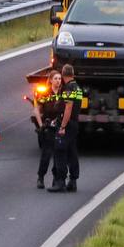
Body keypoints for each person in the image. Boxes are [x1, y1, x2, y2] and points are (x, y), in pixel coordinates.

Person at [51, 64, 84, 192]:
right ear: (73, 74)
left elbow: (68, 108)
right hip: (75, 123)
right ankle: (73, 181)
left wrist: (62, 126)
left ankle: (60, 182)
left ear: (63, 75)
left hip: (68, 124)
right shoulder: (78, 88)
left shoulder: (68, 88)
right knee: (72, 151)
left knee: (60, 151)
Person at [31, 70, 64, 189]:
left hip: (59, 127)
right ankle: (41, 177)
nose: (58, 81)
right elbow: (36, 110)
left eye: (59, 79)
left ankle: (56, 178)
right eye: (55, 78)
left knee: (58, 154)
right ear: (50, 80)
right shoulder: (46, 94)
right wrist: (41, 126)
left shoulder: (62, 93)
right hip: (48, 127)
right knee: (46, 153)